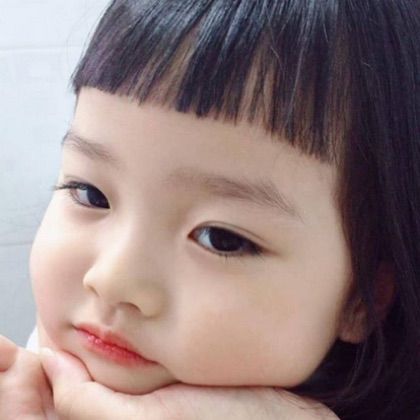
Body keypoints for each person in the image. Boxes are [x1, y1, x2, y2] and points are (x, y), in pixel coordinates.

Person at [1, 0, 419, 419]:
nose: (112, 280)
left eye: (222, 239)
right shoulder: (43, 372)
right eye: (90, 193)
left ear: (360, 299)